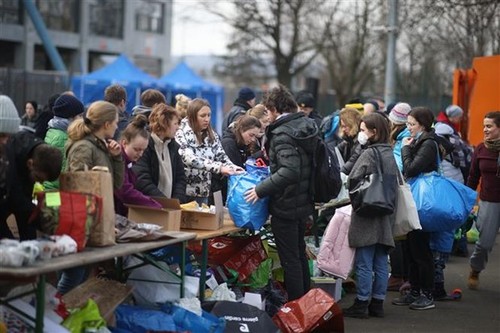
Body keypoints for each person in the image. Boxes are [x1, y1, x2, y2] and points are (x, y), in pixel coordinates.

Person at [245, 84, 317, 301]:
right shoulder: (304, 126)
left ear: (274, 108)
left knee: (290, 260)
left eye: (267, 110)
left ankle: (297, 309)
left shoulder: (283, 132)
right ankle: (306, 305)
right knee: (299, 255)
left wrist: (260, 189)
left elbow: (289, 170)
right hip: (302, 200)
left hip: (286, 203)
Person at [59, 100, 124, 294]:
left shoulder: (101, 147)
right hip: (80, 222)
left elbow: (115, 184)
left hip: (93, 221)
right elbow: (77, 186)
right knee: (73, 277)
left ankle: (64, 316)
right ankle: (53, 315)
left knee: (82, 276)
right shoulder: (84, 147)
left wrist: (116, 157)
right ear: (106, 124)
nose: (117, 126)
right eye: (115, 122)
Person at [342, 112, 399, 318]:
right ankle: (377, 303)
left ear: (374, 132)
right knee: (381, 262)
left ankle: (361, 303)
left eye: (364, 130)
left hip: (366, 212)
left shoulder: (368, 153)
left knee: (364, 262)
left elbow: (353, 179)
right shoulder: (389, 152)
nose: (361, 134)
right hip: (385, 214)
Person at [392, 106, 441, 310]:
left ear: (422, 125)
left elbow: (410, 168)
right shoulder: (421, 141)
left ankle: (426, 294)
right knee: (412, 249)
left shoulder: (428, 143)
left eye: (412, 124)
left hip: (422, 202)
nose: (408, 128)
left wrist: (405, 148)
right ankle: (414, 291)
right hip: (416, 200)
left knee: (421, 251)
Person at [0, 96, 62, 240]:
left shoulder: (34, 151)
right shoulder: (10, 157)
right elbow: (17, 199)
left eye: (7, 136)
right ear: (30, 164)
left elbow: (23, 209)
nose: (5, 141)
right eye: (2, 136)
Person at [175, 98, 243, 205]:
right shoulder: (180, 132)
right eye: (202, 116)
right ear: (192, 116)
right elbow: (188, 158)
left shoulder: (212, 134)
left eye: (209, 115)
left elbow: (221, 156)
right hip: (184, 191)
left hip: (203, 192)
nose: (207, 119)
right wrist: (219, 168)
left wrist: (234, 168)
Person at [467, 111, 500, 290]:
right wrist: (468, 200)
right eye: (484, 126)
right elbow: (473, 176)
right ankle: (475, 269)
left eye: (489, 126)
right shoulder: (480, 149)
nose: (485, 129)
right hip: (489, 201)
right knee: (484, 243)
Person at [133, 103, 187, 203]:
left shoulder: (173, 147)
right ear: (164, 123)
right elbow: (142, 179)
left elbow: (180, 178)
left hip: (169, 208)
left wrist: (175, 202)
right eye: (175, 124)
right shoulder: (145, 146)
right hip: (148, 208)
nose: (178, 127)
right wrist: (164, 202)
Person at [114, 115, 162, 216]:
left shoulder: (129, 163)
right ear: (124, 143)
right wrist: (152, 204)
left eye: (143, 150)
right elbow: (125, 191)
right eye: (137, 149)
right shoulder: (119, 162)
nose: (140, 154)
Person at [43, 94, 85, 190]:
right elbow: (59, 172)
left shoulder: (56, 131)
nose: (82, 120)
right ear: (69, 117)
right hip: (54, 192)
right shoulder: (61, 138)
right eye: (80, 116)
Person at [336, 107, 362, 175]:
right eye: (342, 126)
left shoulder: (361, 142)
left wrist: (339, 174)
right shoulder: (348, 141)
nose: (343, 129)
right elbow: (335, 151)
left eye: (346, 126)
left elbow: (352, 161)